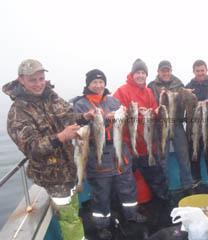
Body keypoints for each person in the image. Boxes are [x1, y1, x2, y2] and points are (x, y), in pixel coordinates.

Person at [2, 59, 94, 202]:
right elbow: (32, 148)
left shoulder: (51, 97)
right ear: (21, 80)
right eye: (33, 80)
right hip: (52, 177)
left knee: (75, 208)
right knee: (68, 218)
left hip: (71, 167)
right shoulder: (17, 113)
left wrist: (84, 117)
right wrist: (62, 136)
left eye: (41, 79)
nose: (39, 84)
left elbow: (67, 116)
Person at [73, 69, 146, 239]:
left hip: (119, 149)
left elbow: (125, 121)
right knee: (101, 193)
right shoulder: (80, 104)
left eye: (101, 82)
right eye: (94, 82)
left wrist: (128, 114)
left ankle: (131, 214)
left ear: (105, 83)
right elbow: (78, 125)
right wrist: (101, 118)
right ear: (88, 84)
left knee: (127, 185)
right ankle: (102, 225)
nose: (98, 85)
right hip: (97, 152)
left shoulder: (113, 101)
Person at [114, 59, 169, 202]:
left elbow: (155, 111)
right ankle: (131, 211)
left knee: (157, 179)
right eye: (137, 72)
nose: (140, 75)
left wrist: (154, 112)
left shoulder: (149, 92)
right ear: (132, 74)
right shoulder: (121, 91)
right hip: (128, 145)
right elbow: (115, 115)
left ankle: (163, 205)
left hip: (147, 144)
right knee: (127, 182)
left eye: (143, 73)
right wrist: (128, 113)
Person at [148, 60, 193, 195]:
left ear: (171, 71)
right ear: (158, 72)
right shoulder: (152, 86)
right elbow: (150, 102)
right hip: (160, 125)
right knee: (163, 158)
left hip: (177, 123)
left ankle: (188, 185)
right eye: (163, 71)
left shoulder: (179, 84)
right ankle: (165, 187)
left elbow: (185, 104)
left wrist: (187, 95)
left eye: (168, 70)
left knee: (183, 156)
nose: (166, 73)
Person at [185, 60, 208, 189]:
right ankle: (196, 180)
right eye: (197, 71)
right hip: (194, 124)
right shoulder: (189, 86)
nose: (200, 73)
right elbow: (184, 104)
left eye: (202, 70)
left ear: (206, 70)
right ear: (194, 72)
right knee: (194, 153)